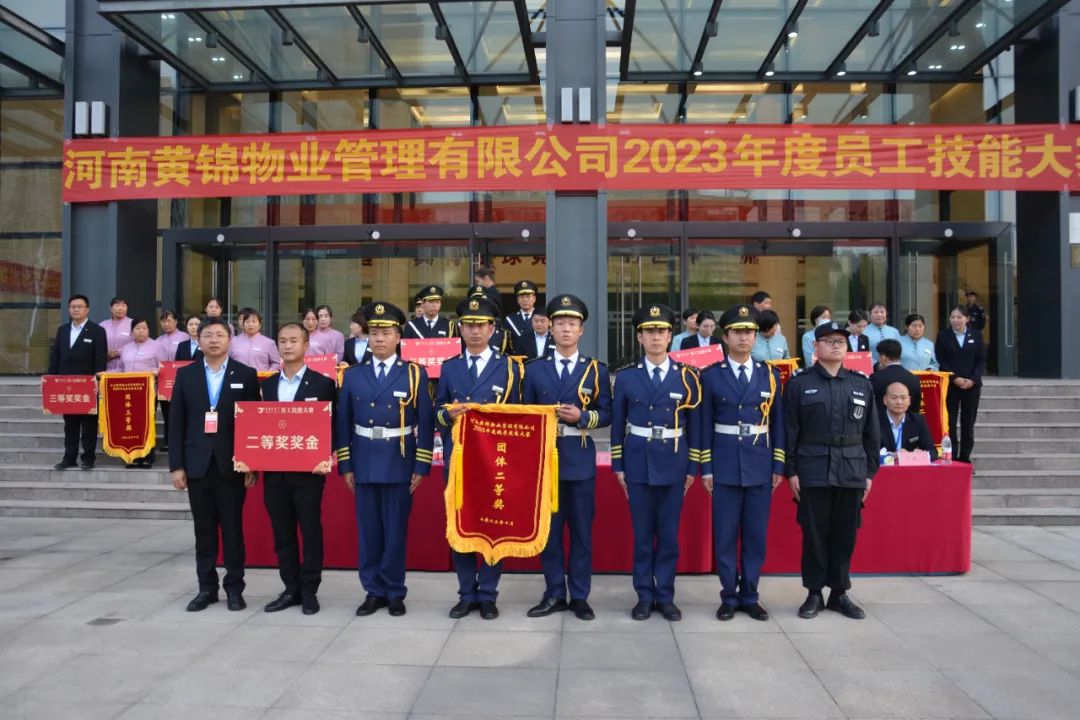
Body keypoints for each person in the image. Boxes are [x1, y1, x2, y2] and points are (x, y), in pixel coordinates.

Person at [335, 301, 434, 617]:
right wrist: (346, 464)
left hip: (399, 459)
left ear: (398, 337)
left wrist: (421, 465)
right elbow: (342, 423)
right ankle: (373, 591)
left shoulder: (414, 374)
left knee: (395, 532)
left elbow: (426, 423)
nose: (379, 338)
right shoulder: (353, 375)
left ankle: (394, 590)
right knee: (369, 532)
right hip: (364, 459)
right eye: (374, 332)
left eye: (386, 332)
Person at [611, 304, 703, 622]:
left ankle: (665, 595)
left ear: (670, 335)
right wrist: (619, 466)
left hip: (674, 462)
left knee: (668, 536)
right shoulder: (627, 377)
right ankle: (643, 596)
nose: (655, 337)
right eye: (649, 331)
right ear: (639, 337)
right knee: (641, 536)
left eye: (661, 331)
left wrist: (692, 467)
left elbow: (695, 427)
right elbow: (618, 425)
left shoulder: (687, 376)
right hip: (638, 463)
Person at [435, 296, 524, 620]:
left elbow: (519, 414)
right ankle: (466, 593)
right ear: (460, 329)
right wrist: (448, 414)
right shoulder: (450, 367)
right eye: (469, 325)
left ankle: (488, 593)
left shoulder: (510, 367)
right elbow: (437, 412)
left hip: (493, 461)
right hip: (458, 458)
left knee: (491, 527)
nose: (474, 331)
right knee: (460, 526)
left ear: (492, 329)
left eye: (481, 325)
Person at [784, 320, 880, 621]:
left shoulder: (861, 384)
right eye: (829, 341)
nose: (836, 345)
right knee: (814, 533)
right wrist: (791, 470)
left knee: (845, 533)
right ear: (816, 347)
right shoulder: (799, 384)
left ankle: (839, 592)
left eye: (841, 341)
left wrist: (869, 473)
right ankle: (814, 592)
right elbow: (789, 431)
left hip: (851, 467)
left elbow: (872, 433)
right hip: (812, 467)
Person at [524, 294, 612, 621]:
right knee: (549, 534)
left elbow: (607, 413)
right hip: (545, 461)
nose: (565, 329)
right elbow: (525, 413)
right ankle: (553, 593)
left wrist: (583, 417)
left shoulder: (595, 370)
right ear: (550, 328)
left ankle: (580, 596)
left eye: (571, 324)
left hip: (579, 460)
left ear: (581, 330)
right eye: (559, 323)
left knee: (581, 534)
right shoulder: (534, 370)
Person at [168, 317, 261, 612]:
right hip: (196, 464)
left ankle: (234, 589)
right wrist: (176, 466)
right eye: (208, 335)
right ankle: (206, 589)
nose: (214, 340)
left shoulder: (245, 374)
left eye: (220, 335)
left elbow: (252, 422)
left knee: (232, 531)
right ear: (199, 341)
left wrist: (251, 463)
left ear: (230, 340)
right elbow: (176, 423)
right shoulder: (186, 375)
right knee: (204, 531)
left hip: (231, 464)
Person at [700, 305, 785, 622]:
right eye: (737, 332)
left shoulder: (770, 375)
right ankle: (728, 595)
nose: (744, 337)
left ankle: (750, 594)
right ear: (725, 337)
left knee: (755, 536)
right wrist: (706, 468)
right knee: (724, 536)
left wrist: (778, 465)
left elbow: (779, 424)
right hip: (723, 464)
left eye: (749, 332)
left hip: (759, 464)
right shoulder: (710, 376)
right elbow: (703, 425)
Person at [252, 323, 336, 616]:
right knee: (282, 533)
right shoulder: (267, 386)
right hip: (275, 474)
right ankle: (290, 588)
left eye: (293, 341)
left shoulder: (323, 384)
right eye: (282, 341)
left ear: (306, 345)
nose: (287, 346)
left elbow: (332, 426)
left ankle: (310, 589)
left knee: (310, 531)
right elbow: (258, 425)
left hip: (308, 474)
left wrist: (327, 454)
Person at [49, 294, 107, 471]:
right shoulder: (63, 330)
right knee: (70, 424)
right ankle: (69, 457)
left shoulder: (97, 331)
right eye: (73, 307)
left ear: (87, 309)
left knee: (89, 424)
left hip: (88, 385)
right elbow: (56, 356)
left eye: (79, 307)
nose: (76, 309)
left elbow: (100, 359)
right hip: (66, 386)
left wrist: (97, 380)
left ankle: (88, 458)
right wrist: (51, 379)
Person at [935, 305, 986, 463]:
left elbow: (981, 359)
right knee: (949, 422)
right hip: (951, 385)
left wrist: (973, 379)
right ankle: (952, 456)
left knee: (968, 422)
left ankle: (965, 457)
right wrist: (955, 378)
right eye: (952, 317)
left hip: (972, 386)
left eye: (959, 317)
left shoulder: (976, 335)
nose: (955, 320)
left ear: (967, 319)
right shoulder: (943, 335)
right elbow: (941, 360)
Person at [119, 317, 168, 468]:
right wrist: (105, 374)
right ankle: (133, 456)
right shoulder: (126, 348)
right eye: (138, 328)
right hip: (128, 392)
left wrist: (156, 372)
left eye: (144, 328)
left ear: (149, 330)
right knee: (131, 423)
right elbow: (121, 369)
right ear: (132, 331)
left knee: (146, 423)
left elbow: (164, 367)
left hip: (149, 391)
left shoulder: (157, 346)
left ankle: (147, 456)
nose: (141, 331)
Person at [879, 382, 938, 461]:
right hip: (882, 467)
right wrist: (893, 455)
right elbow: (869, 452)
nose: (899, 402)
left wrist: (921, 455)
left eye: (903, 398)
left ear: (909, 400)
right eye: (894, 397)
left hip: (909, 467)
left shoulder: (917, 421)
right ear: (885, 400)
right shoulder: (875, 421)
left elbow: (933, 452)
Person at [156, 310, 188, 449]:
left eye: (169, 321)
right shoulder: (158, 341)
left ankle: (181, 440)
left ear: (176, 322)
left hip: (180, 380)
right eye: (163, 321)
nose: (166, 324)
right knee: (167, 413)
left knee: (181, 412)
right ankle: (168, 441)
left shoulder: (184, 337)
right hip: (164, 382)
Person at [871, 339, 922, 413]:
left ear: (883, 357)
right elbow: (916, 407)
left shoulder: (876, 377)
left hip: (881, 419)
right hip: (907, 419)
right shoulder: (913, 378)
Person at [505, 280, 539, 354]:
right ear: (518, 300)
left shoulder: (541, 318)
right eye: (522, 297)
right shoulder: (510, 319)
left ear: (534, 299)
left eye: (528, 297)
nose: (525, 300)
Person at [102, 296, 133, 372]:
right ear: (111, 308)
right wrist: (105, 353)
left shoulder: (133, 324)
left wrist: (117, 353)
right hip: (105, 368)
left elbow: (137, 344)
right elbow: (98, 345)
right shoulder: (103, 325)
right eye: (117, 305)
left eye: (123, 306)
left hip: (126, 368)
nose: (120, 308)